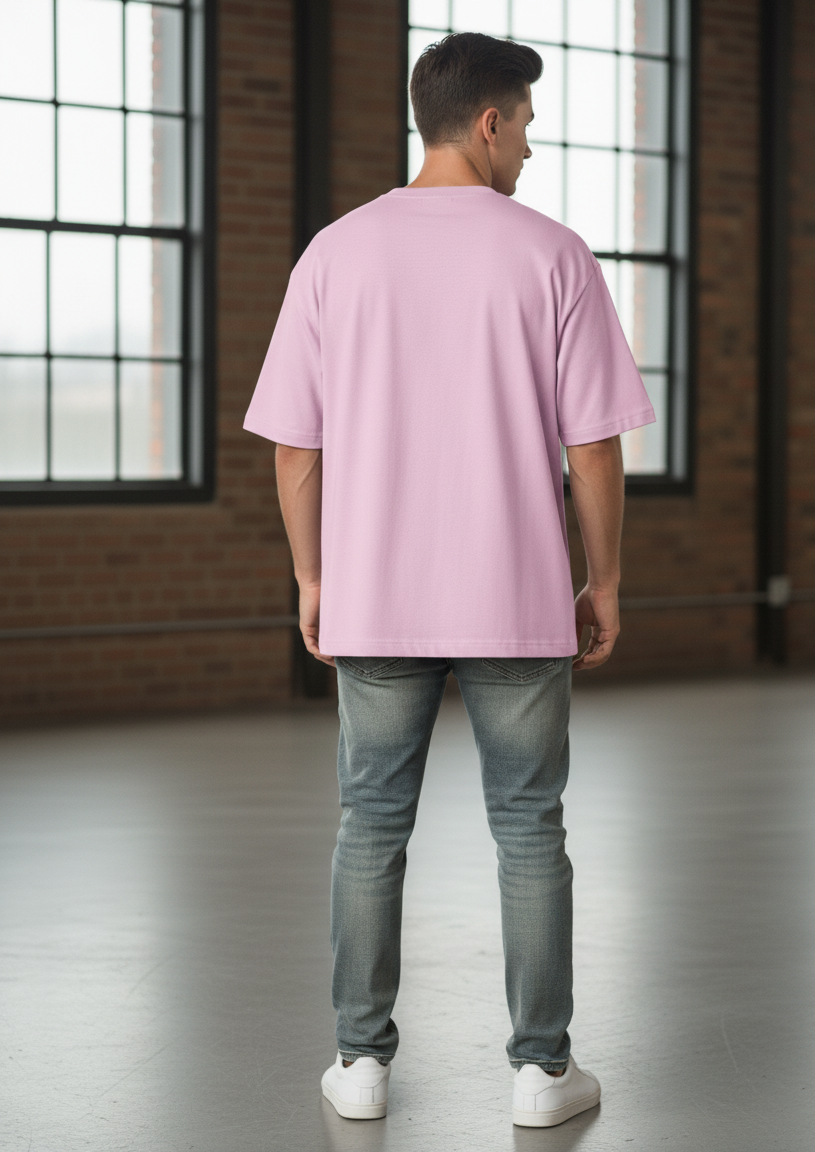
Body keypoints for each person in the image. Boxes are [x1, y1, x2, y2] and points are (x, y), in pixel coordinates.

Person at [244, 31, 655, 1128]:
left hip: (375, 594)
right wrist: (601, 579)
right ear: (485, 121)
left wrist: (311, 577)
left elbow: (294, 447)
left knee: (369, 824)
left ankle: (361, 1063)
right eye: (523, 123)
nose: (528, 143)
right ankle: (539, 1073)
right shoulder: (552, 254)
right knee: (529, 827)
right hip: (516, 599)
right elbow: (596, 447)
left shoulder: (335, 252)